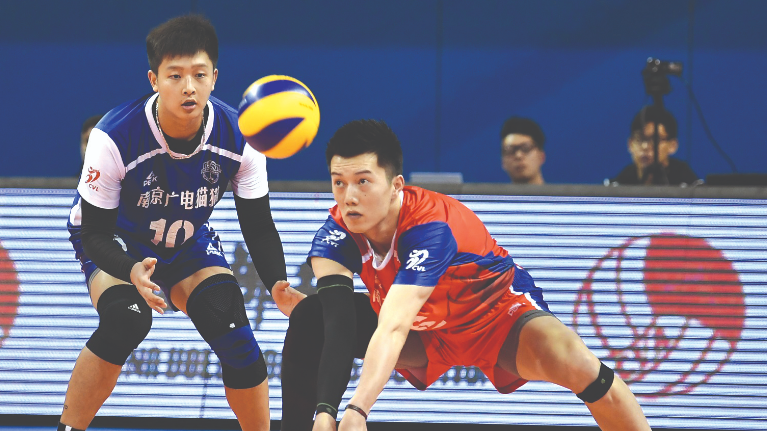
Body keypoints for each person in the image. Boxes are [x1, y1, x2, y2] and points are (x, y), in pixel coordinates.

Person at [273, 119, 651, 431]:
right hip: (426, 333)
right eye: (339, 182)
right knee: (311, 316)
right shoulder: (334, 234)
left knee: (578, 365)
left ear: (395, 186)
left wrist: (357, 410)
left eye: (363, 181)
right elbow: (338, 326)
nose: (349, 197)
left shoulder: (430, 227)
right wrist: (326, 413)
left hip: (497, 319)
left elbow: (392, 327)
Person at [62, 15, 288, 431]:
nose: (188, 87)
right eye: (175, 75)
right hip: (117, 238)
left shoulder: (242, 137)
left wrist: (278, 283)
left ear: (214, 78)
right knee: (127, 317)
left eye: (199, 75)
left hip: (184, 238)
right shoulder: (113, 135)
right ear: (154, 80)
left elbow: (258, 225)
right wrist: (130, 268)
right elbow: (93, 232)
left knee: (232, 327)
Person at [610, 106, 699, 186]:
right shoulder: (619, 184)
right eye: (639, 139)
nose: (645, 146)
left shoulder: (688, 183)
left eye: (655, 139)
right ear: (630, 144)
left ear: (673, 145)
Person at [500, 116, 546, 184]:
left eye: (526, 148)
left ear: (541, 157)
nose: (518, 156)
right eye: (510, 150)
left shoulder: (561, 191)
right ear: (503, 162)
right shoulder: (487, 191)